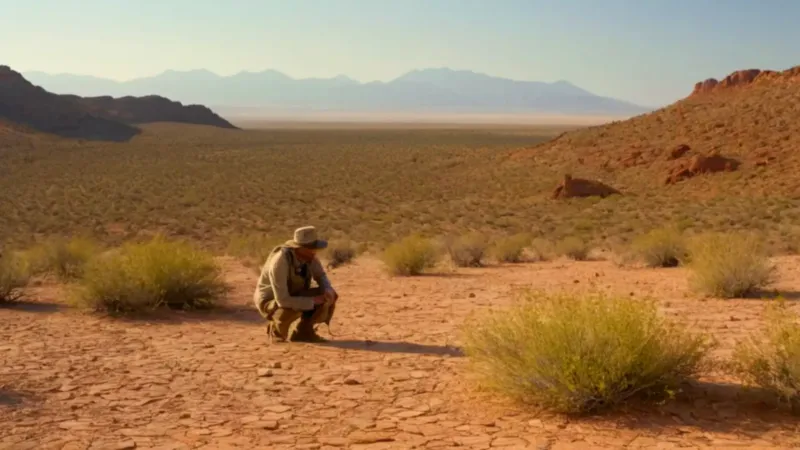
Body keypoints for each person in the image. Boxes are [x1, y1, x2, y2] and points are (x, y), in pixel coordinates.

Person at [253, 226, 339, 343]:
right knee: (294, 306)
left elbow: (320, 276)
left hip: (293, 294)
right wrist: (312, 301)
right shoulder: (280, 262)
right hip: (271, 301)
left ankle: (303, 332)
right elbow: (282, 300)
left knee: (326, 295)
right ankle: (276, 331)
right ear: (299, 248)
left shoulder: (309, 257)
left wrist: (328, 289)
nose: (314, 251)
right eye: (311, 248)